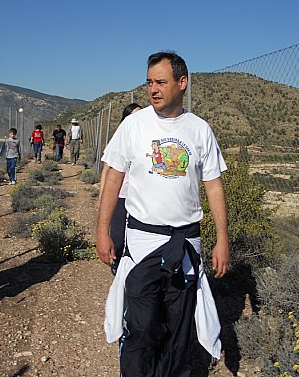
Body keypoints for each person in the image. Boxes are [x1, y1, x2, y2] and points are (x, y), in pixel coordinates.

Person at [96, 52, 229, 376]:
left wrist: (222, 239)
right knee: (141, 327)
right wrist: (102, 231)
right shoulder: (133, 126)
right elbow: (113, 177)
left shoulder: (200, 130)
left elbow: (213, 185)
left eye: (161, 81)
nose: (153, 89)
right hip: (142, 242)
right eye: (149, 82)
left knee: (178, 330)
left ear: (182, 83)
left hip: (185, 244)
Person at [98, 102, 142, 275]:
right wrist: (102, 196)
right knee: (118, 236)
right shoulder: (119, 139)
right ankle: (116, 265)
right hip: (121, 195)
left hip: (140, 197)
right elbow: (107, 169)